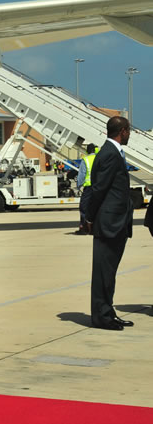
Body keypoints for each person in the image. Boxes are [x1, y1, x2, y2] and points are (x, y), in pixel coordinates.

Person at [85, 116, 134, 330]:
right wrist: (89, 217)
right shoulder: (110, 154)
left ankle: (108, 311)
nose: (129, 134)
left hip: (115, 222)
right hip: (109, 222)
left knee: (109, 272)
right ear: (122, 131)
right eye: (129, 131)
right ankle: (102, 316)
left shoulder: (111, 152)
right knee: (104, 272)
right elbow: (99, 189)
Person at [75, 144, 98, 235]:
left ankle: (84, 227)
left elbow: (82, 174)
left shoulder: (86, 160)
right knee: (97, 206)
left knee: (84, 207)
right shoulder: (99, 158)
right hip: (99, 186)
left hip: (89, 187)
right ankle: (95, 227)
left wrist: (78, 186)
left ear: (87, 151)